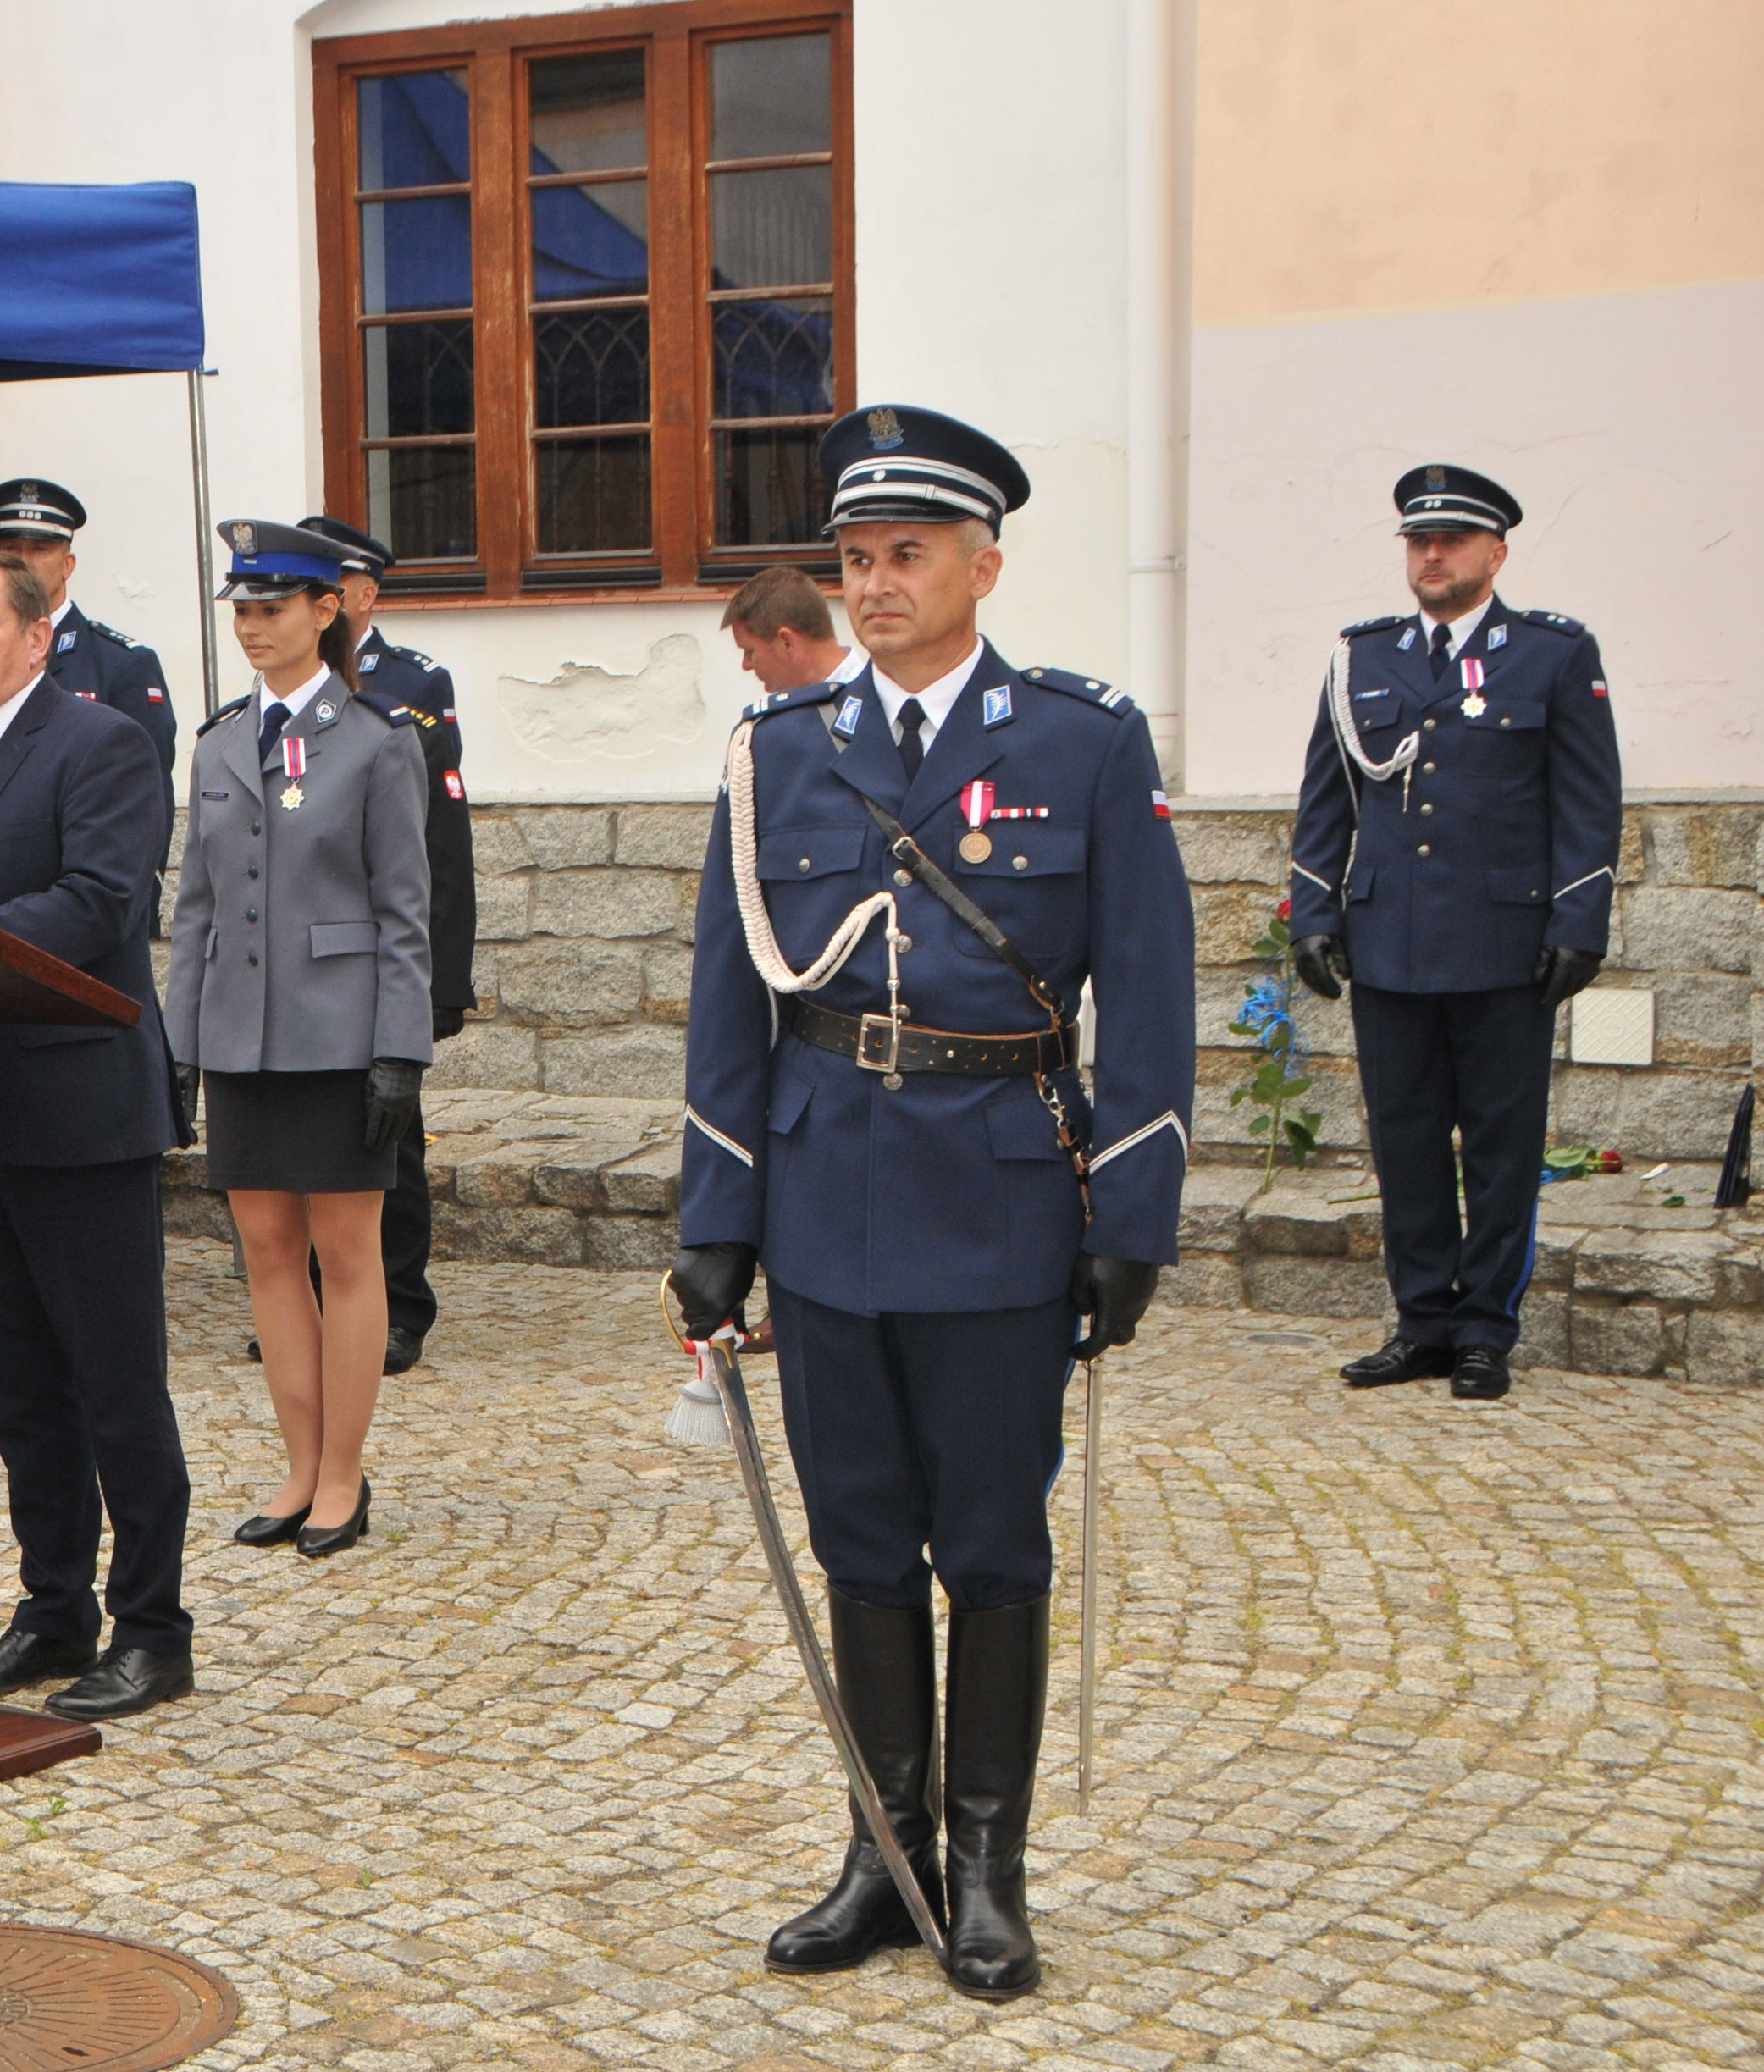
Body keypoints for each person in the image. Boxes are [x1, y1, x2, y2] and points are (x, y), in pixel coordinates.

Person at [670, 402, 1190, 2001]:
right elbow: (726, 999)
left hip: (1001, 1194)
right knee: (858, 1537)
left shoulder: (1080, 740)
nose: (876, 581)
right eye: (855, 556)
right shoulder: (778, 750)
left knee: (989, 1537)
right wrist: (717, 1215)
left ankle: (984, 1873)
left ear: (983, 565)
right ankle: (880, 1856)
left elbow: (1148, 990)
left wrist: (1130, 1215)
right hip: (826, 1194)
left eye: (907, 552)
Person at [0, 548, 193, 1724]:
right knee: (20, 1389)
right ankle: (53, 1609)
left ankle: (153, 1630)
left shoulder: (100, 743)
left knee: (117, 1387)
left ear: (36, 637)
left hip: (80, 1115)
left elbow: (100, 901)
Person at [1287, 464, 1618, 1405]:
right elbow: (1326, 798)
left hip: (1504, 943)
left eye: (1452, 541)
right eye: (1419, 541)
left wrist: (1579, 921)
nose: (1432, 555)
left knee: (1502, 1147)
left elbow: (1588, 801)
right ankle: (1423, 1322)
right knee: (1405, 1143)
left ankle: (1484, 1331)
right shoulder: (1362, 657)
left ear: (1494, 554)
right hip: (1388, 940)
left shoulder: (1552, 654)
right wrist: (1314, 911)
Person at [170, 521, 433, 1558]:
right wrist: (180, 1044)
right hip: (240, 1037)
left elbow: (404, 910)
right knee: (268, 1255)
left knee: (346, 1255)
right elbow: (194, 908)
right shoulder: (219, 740)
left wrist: (399, 1050)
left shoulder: (375, 740)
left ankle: (342, 1474)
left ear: (326, 611)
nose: (251, 625)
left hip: (339, 1036)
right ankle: (296, 1464)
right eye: (240, 608)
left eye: (272, 607)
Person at [300, 511, 476, 1373]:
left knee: (388, 1134)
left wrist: (442, 978)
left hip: (381, 956)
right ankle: (315, 1301)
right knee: (305, 1136)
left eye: (328, 587)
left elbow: (439, 842)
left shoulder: (411, 684)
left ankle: (398, 1305)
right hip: (305, 964)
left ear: (362, 595)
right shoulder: (282, 692)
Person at [0, 478, 177, 774]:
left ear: (68, 565)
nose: (23, 563)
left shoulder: (121, 665)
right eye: (10, 549)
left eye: (40, 549)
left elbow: (148, 785)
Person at [723, 563, 852, 696]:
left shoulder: (865, 696)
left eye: (750, 651)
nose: (746, 665)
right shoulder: (780, 703)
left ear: (787, 642)